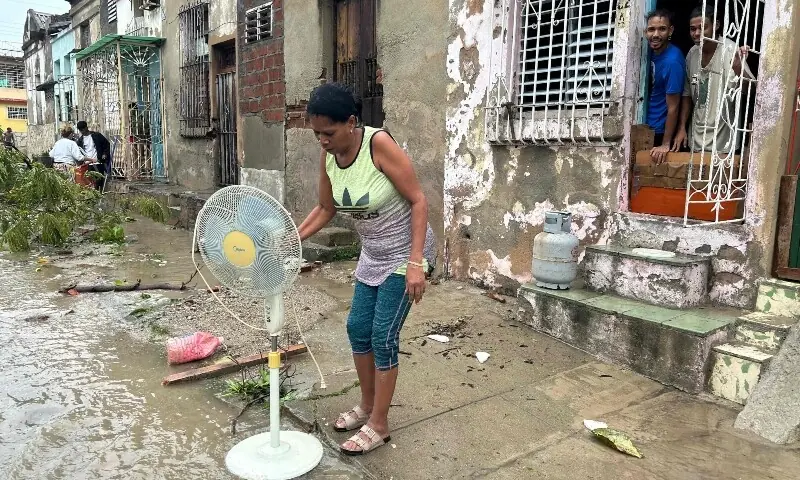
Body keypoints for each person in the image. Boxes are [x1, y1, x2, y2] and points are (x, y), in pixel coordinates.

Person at [297, 82, 436, 455]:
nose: (322, 140)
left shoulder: (378, 145)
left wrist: (416, 264)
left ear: (351, 123)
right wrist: (291, 238)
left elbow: (419, 201)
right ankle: (366, 405)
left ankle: (380, 423)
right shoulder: (328, 158)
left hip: (406, 252)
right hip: (373, 253)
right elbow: (325, 209)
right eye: (316, 134)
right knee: (357, 328)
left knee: (382, 335)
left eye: (328, 132)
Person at [673, 6, 754, 155]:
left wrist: (738, 68)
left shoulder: (730, 50)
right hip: (696, 139)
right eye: (693, 29)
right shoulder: (692, 54)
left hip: (724, 143)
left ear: (716, 26)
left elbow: (751, 91)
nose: (697, 33)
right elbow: (687, 95)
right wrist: (682, 128)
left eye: (703, 28)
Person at [645, 9, 685, 164]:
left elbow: (673, 107)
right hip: (646, 125)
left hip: (659, 132)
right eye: (651, 29)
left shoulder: (672, 61)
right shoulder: (648, 52)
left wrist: (665, 144)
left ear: (671, 30)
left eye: (662, 29)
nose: (655, 34)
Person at [76, 120, 112, 189]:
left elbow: (106, 144)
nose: (82, 131)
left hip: (98, 162)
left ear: (86, 127)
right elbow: (79, 153)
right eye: (80, 130)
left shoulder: (97, 136)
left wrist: (105, 154)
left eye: (83, 129)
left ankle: (100, 194)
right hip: (87, 164)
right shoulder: (80, 141)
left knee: (99, 180)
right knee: (90, 182)